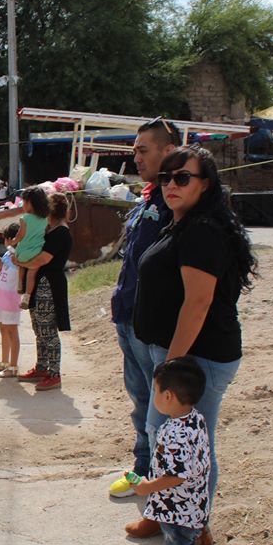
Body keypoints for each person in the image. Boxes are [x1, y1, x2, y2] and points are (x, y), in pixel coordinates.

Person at [127, 145, 256, 545]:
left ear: (206, 184)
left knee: (192, 453)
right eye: (166, 178)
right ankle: (162, 516)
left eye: (183, 177)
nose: (171, 185)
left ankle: (194, 536)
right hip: (176, 356)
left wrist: (171, 367)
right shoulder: (181, 224)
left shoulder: (202, 231)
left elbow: (197, 304)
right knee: (163, 441)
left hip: (197, 360)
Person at [108, 118, 180, 499]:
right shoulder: (151, 196)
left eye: (142, 150)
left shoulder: (177, 200)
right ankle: (143, 469)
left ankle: (160, 479)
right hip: (127, 315)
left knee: (159, 407)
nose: (136, 157)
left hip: (151, 324)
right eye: (134, 150)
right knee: (140, 400)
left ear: (168, 151)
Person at [129, 358, 209, 545]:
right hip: (192, 504)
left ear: (168, 396)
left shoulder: (177, 433)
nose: (153, 395)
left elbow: (176, 476)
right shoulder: (195, 419)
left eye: (155, 390)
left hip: (178, 510)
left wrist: (145, 487)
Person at [14, 192, 72, 391]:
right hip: (40, 284)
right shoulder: (49, 229)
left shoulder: (61, 232)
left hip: (49, 285)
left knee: (48, 331)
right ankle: (41, 367)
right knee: (39, 329)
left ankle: (54, 374)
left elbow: (42, 259)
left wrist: (20, 261)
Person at [0, 222, 23, 378]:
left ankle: (13, 366)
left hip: (11, 297)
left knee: (12, 330)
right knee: (3, 329)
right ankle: (4, 362)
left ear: (11, 239)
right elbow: (5, 272)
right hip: (1, 296)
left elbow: (20, 271)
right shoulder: (8, 254)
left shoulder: (19, 255)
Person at [14, 186, 50, 310]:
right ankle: (27, 297)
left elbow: (20, 235)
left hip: (22, 252)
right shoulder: (45, 219)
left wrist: (13, 241)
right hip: (36, 252)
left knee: (21, 266)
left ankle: (19, 284)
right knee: (31, 275)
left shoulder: (25, 218)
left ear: (29, 203)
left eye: (23, 202)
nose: (22, 205)